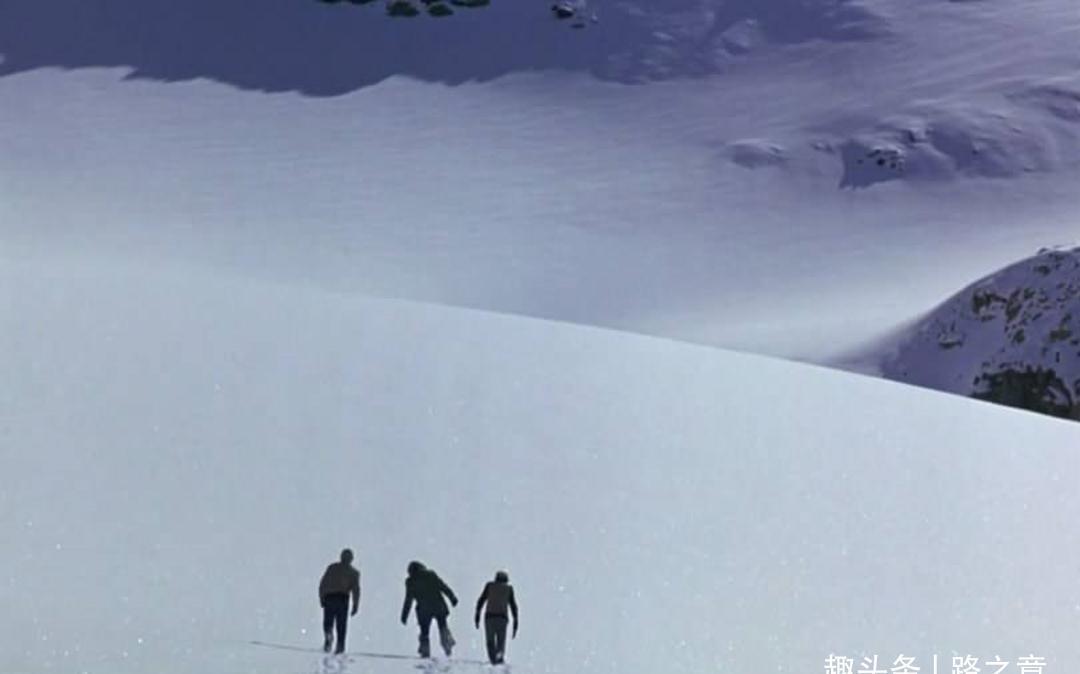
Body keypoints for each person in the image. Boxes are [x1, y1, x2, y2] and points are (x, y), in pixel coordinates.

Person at [400, 561, 458, 658]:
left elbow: (408, 600)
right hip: (438, 606)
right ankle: (447, 645)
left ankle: (425, 651)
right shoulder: (430, 575)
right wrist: (452, 598)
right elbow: (443, 587)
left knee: (424, 632)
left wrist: (404, 615)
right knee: (442, 627)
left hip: (424, 610)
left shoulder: (411, 581)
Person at [318, 549, 361, 654]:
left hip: (330, 597)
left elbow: (323, 584)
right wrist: (355, 605)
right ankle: (340, 645)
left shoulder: (332, 568)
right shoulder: (354, 573)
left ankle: (328, 637)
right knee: (341, 624)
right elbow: (356, 590)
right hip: (342, 598)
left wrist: (322, 598)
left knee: (328, 621)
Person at [474, 571, 519, 665]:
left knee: (490, 641)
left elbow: (481, 600)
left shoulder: (489, 586)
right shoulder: (508, 589)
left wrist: (477, 615)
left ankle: (493, 659)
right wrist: (515, 623)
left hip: (489, 617)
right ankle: (499, 657)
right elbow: (513, 606)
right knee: (501, 641)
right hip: (502, 618)